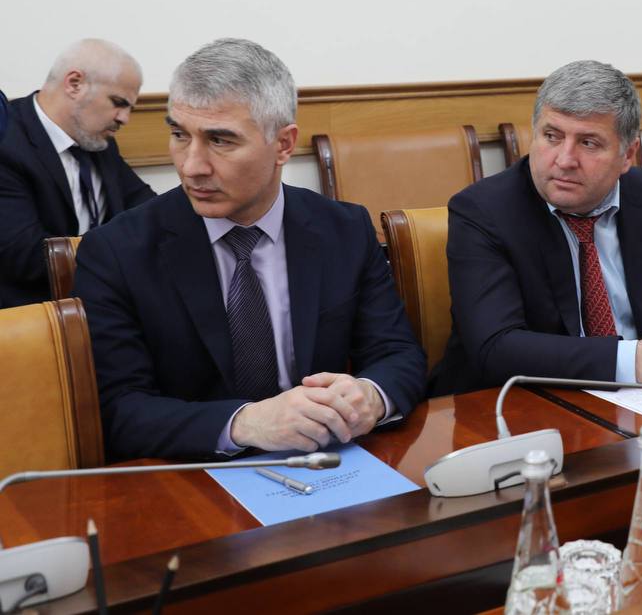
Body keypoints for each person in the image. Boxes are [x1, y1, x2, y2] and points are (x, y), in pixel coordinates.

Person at [74, 39, 427, 461]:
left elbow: (397, 354)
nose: (191, 166)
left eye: (220, 141)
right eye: (179, 135)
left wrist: (369, 396)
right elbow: (119, 410)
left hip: (326, 464)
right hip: (192, 474)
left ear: (283, 145)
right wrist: (246, 423)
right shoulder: (116, 252)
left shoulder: (343, 229)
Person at [431, 60, 642, 396]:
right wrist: (633, 360)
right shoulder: (483, 211)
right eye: (552, 136)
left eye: (588, 143)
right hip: (519, 404)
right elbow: (495, 347)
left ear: (627, 154)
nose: (564, 160)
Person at [0, 39, 155, 307]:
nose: (124, 118)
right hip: (38, 313)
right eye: (118, 102)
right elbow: (27, 256)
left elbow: (145, 206)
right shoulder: (7, 142)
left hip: (105, 300)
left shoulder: (98, 140)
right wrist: (121, 251)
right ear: (74, 84)